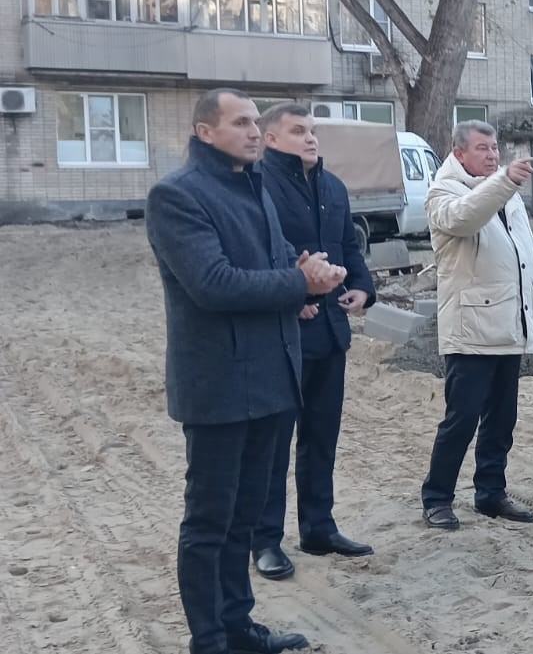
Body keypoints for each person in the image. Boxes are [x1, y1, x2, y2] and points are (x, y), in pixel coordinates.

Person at [146, 88, 345, 654]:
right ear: (205, 132)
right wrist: (297, 283)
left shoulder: (253, 184)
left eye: (257, 122)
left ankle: (238, 627)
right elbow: (213, 285)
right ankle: (209, 640)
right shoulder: (178, 195)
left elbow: (275, 264)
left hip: (271, 379)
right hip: (218, 385)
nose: (255, 131)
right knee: (210, 522)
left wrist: (305, 278)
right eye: (240, 123)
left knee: (243, 518)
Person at [252, 103, 378, 581]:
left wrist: (363, 288)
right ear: (270, 138)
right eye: (298, 131)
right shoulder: (258, 186)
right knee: (273, 444)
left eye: (312, 130)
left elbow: (348, 247)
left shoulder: (332, 187)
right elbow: (256, 256)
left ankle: (318, 528)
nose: (310, 138)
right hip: (282, 337)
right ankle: (265, 539)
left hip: (329, 333)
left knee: (321, 438)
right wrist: (291, 296)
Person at [420, 120, 533, 530]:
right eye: (482, 149)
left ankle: (490, 493)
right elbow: (466, 218)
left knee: (501, 420)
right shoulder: (444, 193)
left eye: (495, 148)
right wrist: (504, 181)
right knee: (462, 419)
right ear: (458, 153)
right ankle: (437, 498)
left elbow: (524, 254)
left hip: (510, 321)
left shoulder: (506, 194)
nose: (492, 155)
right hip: (470, 329)